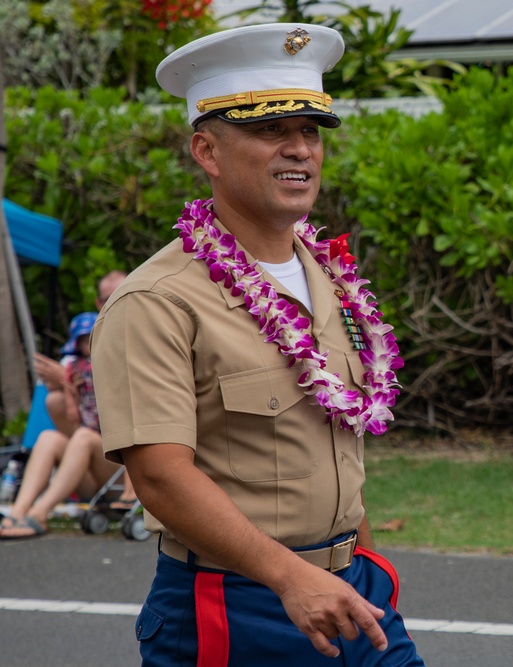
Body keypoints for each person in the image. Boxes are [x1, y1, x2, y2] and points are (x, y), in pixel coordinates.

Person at [91, 24, 420, 666]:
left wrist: (366, 562)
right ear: (207, 151)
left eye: (310, 131)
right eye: (271, 131)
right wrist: (292, 578)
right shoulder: (156, 300)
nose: (299, 149)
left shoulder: (333, 280)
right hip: (233, 604)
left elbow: (335, 450)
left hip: (351, 592)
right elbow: (158, 474)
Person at [0, 313, 125, 539]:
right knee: (49, 436)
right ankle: (18, 512)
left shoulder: (120, 363)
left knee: (84, 437)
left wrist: (67, 381)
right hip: (92, 475)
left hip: (122, 474)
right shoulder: (77, 368)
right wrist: (69, 388)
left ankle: (39, 513)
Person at [33, 270, 127, 436]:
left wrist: (64, 376)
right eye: (110, 298)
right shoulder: (81, 353)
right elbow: (51, 384)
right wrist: (65, 381)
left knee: (82, 437)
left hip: (124, 428)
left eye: (126, 294)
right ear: (99, 303)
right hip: (90, 428)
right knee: (53, 408)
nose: (119, 302)